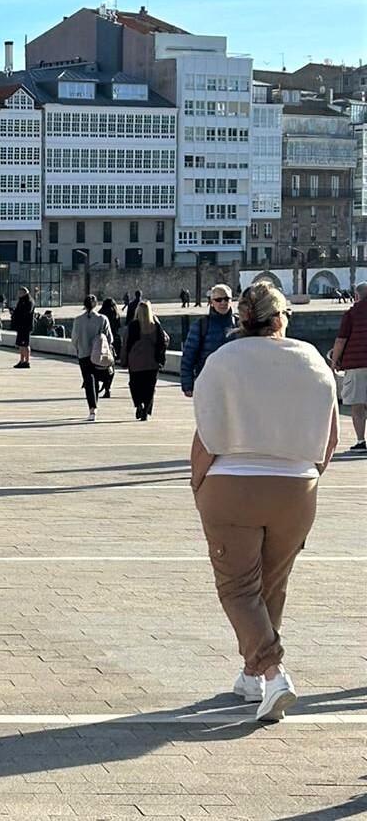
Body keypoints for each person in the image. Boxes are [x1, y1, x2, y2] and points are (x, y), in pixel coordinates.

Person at [191, 282, 339, 722]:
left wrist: (198, 484)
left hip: (232, 484)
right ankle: (251, 676)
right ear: (279, 318)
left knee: (238, 588)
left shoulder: (223, 360)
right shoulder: (311, 359)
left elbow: (206, 436)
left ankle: (274, 675)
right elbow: (330, 439)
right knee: (271, 585)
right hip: (297, 487)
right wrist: (308, 477)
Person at [180, 284, 237, 398]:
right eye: (218, 300)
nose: (223, 302)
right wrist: (187, 384)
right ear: (211, 302)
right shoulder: (201, 325)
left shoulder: (240, 324)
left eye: (226, 299)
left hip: (235, 384)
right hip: (208, 383)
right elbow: (188, 357)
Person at [330, 281, 367, 451]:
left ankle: (360, 441)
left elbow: (341, 340)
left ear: (357, 296)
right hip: (357, 362)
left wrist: (334, 361)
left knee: (357, 404)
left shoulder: (352, 314)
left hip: (356, 364)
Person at [120, 300, 169, 421]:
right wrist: (161, 359)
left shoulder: (132, 326)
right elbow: (163, 342)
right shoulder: (155, 326)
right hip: (152, 362)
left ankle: (138, 404)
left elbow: (126, 344)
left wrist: (124, 360)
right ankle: (146, 409)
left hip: (135, 362)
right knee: (150, 387)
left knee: (135, 385)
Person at [71, 294, 113, 422]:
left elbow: (74, 340)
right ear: (96, 305)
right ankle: (95, 404)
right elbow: (109, 338)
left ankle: (92, 409)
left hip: (84, 355)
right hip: (98, 355)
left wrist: (79, 348)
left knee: (89, 381)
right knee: (96, 380)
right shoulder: (102, 319)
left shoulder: (78, 320)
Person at [97, 297, 121, 399]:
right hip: (114, 342)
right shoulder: (116, 313)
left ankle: (99, 384)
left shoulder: (101, 314)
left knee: (99, 364)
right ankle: (108, 388)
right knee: (111, 365)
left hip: (102, 342)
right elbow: (118, 327)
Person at [11, 287, 34, 369]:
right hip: (21, 326)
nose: (18, 294)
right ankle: (21, 361)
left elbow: (27, 312)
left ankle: (27, 361)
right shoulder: (22, 300)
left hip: (25, 326)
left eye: (19, 293)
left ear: (23, 293)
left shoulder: (29, 301)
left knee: (25, 344)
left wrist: (17, 313)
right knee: (21, 345)